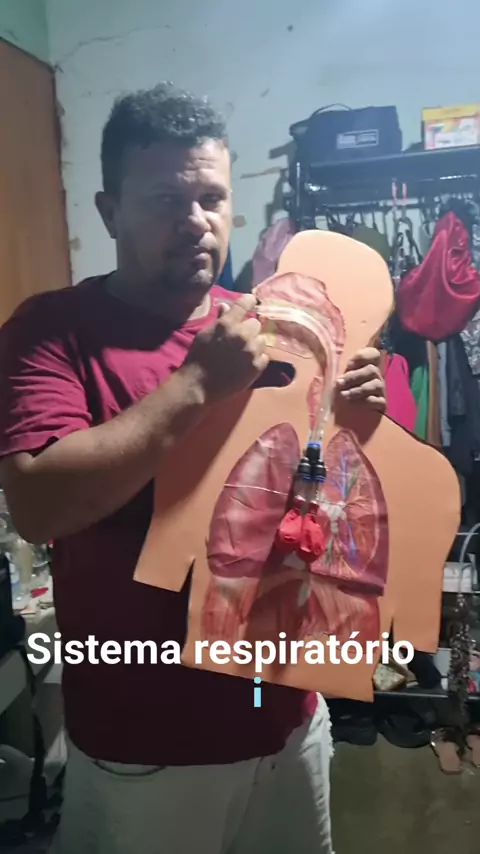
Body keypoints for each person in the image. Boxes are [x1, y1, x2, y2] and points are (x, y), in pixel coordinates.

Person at [0, 83, 386, 854]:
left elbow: (316, 503)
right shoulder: (53, 329)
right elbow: (39, 506)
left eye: (211, 198)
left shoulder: (277, 322)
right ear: (110, 212)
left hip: (289, 716)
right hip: (150, 745)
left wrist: (353, 429)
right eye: (165, 201)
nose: (195, 221)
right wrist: (197, 385)